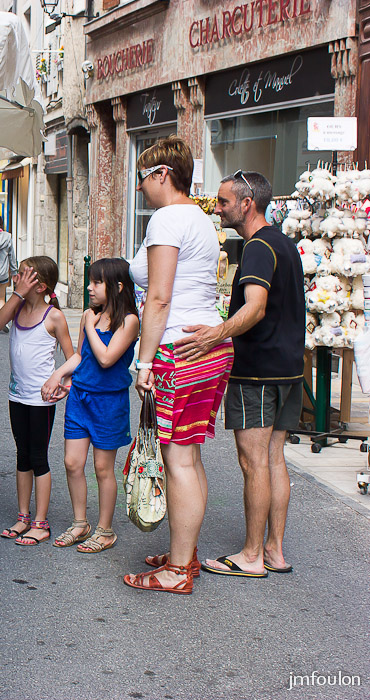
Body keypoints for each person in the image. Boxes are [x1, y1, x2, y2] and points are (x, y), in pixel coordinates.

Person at [174, 170, 303, 578]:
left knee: (254, 463)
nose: (217, 207)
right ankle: (274, 552)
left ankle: (250, 556)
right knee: (274, 459)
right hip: (288, 371)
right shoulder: (284, 242)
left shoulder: (258, 248)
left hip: (259, 371)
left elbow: (256, 306)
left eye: (224, 201)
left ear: (247, 204)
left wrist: (216, 334)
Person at [122, 136, 234, 595]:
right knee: (190, 457)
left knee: (179, 460)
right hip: (207, 348)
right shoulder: (202, 220)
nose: (140, 189)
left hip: (177, 351)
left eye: (143, 178)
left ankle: (177, 570)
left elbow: (160, 299)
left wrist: (143, 362)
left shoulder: (168, 218)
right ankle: (183, 556)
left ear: (163, 175)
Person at [42, 258, 139, 553]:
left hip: (109, 403)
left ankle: (105, 530)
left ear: (117, 286)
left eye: (96, 282)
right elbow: (82, 356)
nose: (89, 287)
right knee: (72, 463)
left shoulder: (130, 321)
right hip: (80, 398)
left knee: (102, 468)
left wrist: (90, 326)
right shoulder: (89, 315)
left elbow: (107, 357)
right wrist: (59, 374)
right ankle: (80, 522)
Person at [0, 257, 75, 546]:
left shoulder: (54, 317)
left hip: (42, 400)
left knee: (38, 457)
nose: (16, 278)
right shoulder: (17, 309)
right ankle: (23, 515)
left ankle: (41, 521)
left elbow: (72, 355)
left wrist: (64, 379)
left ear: (40, 285)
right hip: (17, 395)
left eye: (23, 275)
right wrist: (16, 295)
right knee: (22, 455)